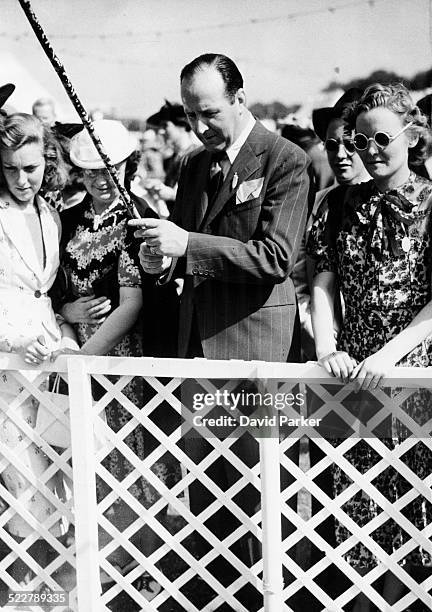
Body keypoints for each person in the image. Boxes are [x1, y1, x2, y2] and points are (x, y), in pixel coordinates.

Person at [130, 53, 311, 600]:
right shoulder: (190, 165)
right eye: (190, 115)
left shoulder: (285, 160)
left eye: (209, 113)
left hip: (258, 350)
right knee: (210, 493)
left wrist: (188, 245)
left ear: (240, 98)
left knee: (264, 492)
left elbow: (275, 257)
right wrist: (163, 261)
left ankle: (275, 597)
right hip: (198, 354)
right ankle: (219, 594)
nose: (199, 127)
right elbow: (185, 252)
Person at [308, 83, 432, 610]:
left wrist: (393, 354)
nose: (370, 150)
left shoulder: (431, 204)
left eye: (382, 137)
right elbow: (322, 283)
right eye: (360, 141)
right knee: (356, 518)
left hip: (414, 380)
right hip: (352, 382)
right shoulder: (336, 205)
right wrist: (327, 346)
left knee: (412, 516)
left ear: (413, 135)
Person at [55, 119, 179, 598]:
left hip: (120, 359)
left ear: (125, 165)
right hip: (70, 348)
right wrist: (66, 311)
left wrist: (84, 359)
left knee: (127, 460)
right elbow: (54, 287)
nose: (98, 180)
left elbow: (133, 304)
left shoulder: (139, 219)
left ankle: (132, 572)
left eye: (107, 169)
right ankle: (88, 567)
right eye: (88, 172)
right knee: (79, 458)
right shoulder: (66, 219)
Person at [0, 113, 78, 582]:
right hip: (6, 367)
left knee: (58, 479)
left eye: (30, 168)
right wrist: (11, 340)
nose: (22, 179)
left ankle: (55, 590)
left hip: (49, 361)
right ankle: (24, 593)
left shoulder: (49, 214)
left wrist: (62, 333)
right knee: (21, 482)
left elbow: (43, 292)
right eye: (10, 169)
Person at [293, 88, 370, 360]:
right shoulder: (317, 204)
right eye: (332, 145)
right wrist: (322, 335)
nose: (340, 154)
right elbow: (301, 276)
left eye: (351, 144)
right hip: (328, 350)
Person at [145, 101, 199, 212]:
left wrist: (171, 195)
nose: (161, 131)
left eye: (166, 126)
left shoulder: (197, 157)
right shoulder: (171, 159)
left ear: (182, 125)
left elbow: (196, 197)